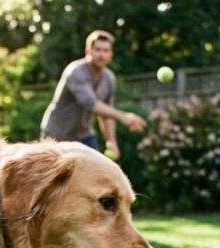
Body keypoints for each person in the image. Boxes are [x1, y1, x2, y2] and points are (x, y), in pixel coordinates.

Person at [40, 30, 147, 159]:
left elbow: (106, 114)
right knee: (51, 177)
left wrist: (111, 141)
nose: (101, 54)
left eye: (106, 50)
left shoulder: (109, 78)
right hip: (57, 135)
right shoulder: (75, 71)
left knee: (97, 173)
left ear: (111, 54)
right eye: (97, 49)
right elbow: (91, 104)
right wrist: (123, 117)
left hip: (84, 135)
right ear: (88, 50)